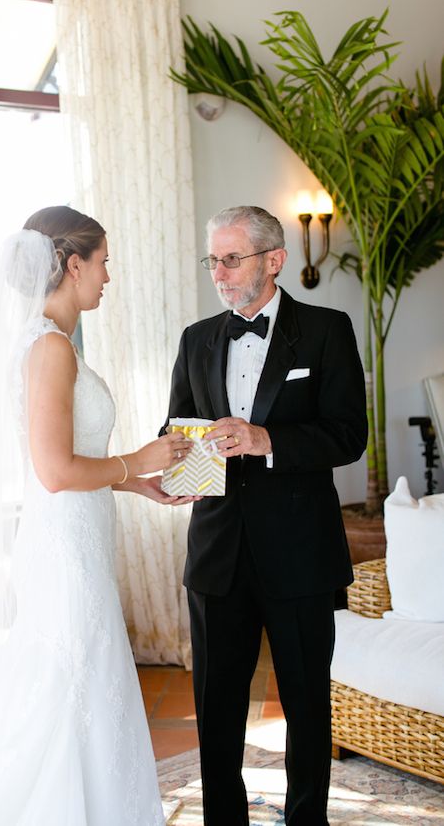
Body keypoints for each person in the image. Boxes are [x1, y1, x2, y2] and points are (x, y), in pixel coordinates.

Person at [0, 206, 194, 826]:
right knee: (69, 684)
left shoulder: (52, 344)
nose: (109, 276)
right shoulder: (51, 348)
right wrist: (132, 459)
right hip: (64, 552)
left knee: (83, 683)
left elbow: (73, 465)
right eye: (104, 262)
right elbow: (55, 472)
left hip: (75, 538)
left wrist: (138, 482)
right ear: (73, 264)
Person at [162, 205, 367, 826]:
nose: (219, 273)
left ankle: (309, 818)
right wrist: (180, 471)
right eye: (213, 260)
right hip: (217, 551)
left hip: (301, 552)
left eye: (231, 259)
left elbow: (347, 436)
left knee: (307, 703)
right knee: (216, 702)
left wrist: (265, 439)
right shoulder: (197, 338)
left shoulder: (328, 330)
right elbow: (177, 427)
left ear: (273, 260)